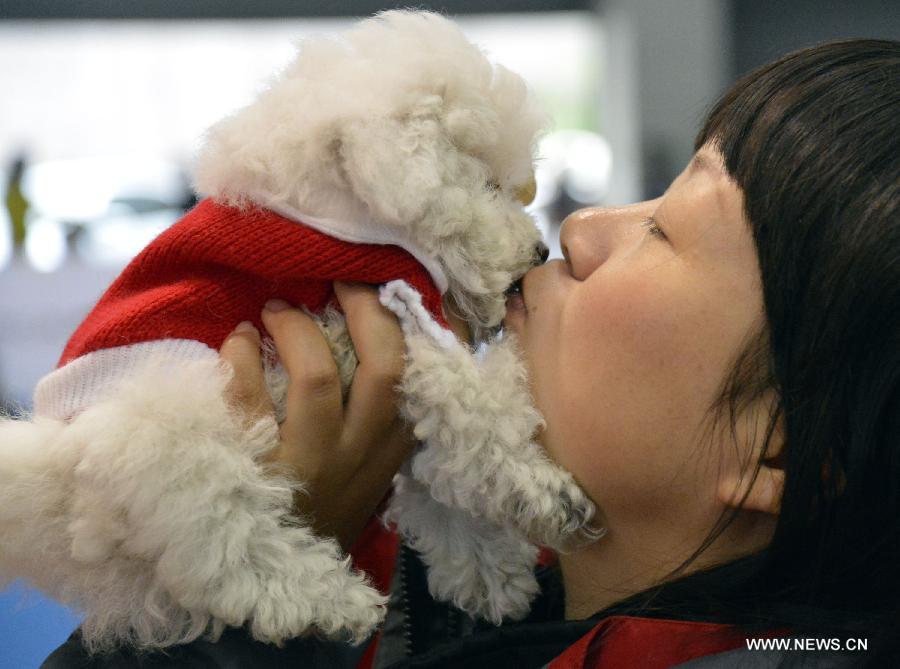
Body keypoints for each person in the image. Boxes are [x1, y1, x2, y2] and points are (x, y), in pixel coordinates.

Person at [42, 37, 899, 669]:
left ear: (776, 446)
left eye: (667, 229)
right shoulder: (456, 558)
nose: (578, 229)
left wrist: (247, 602)